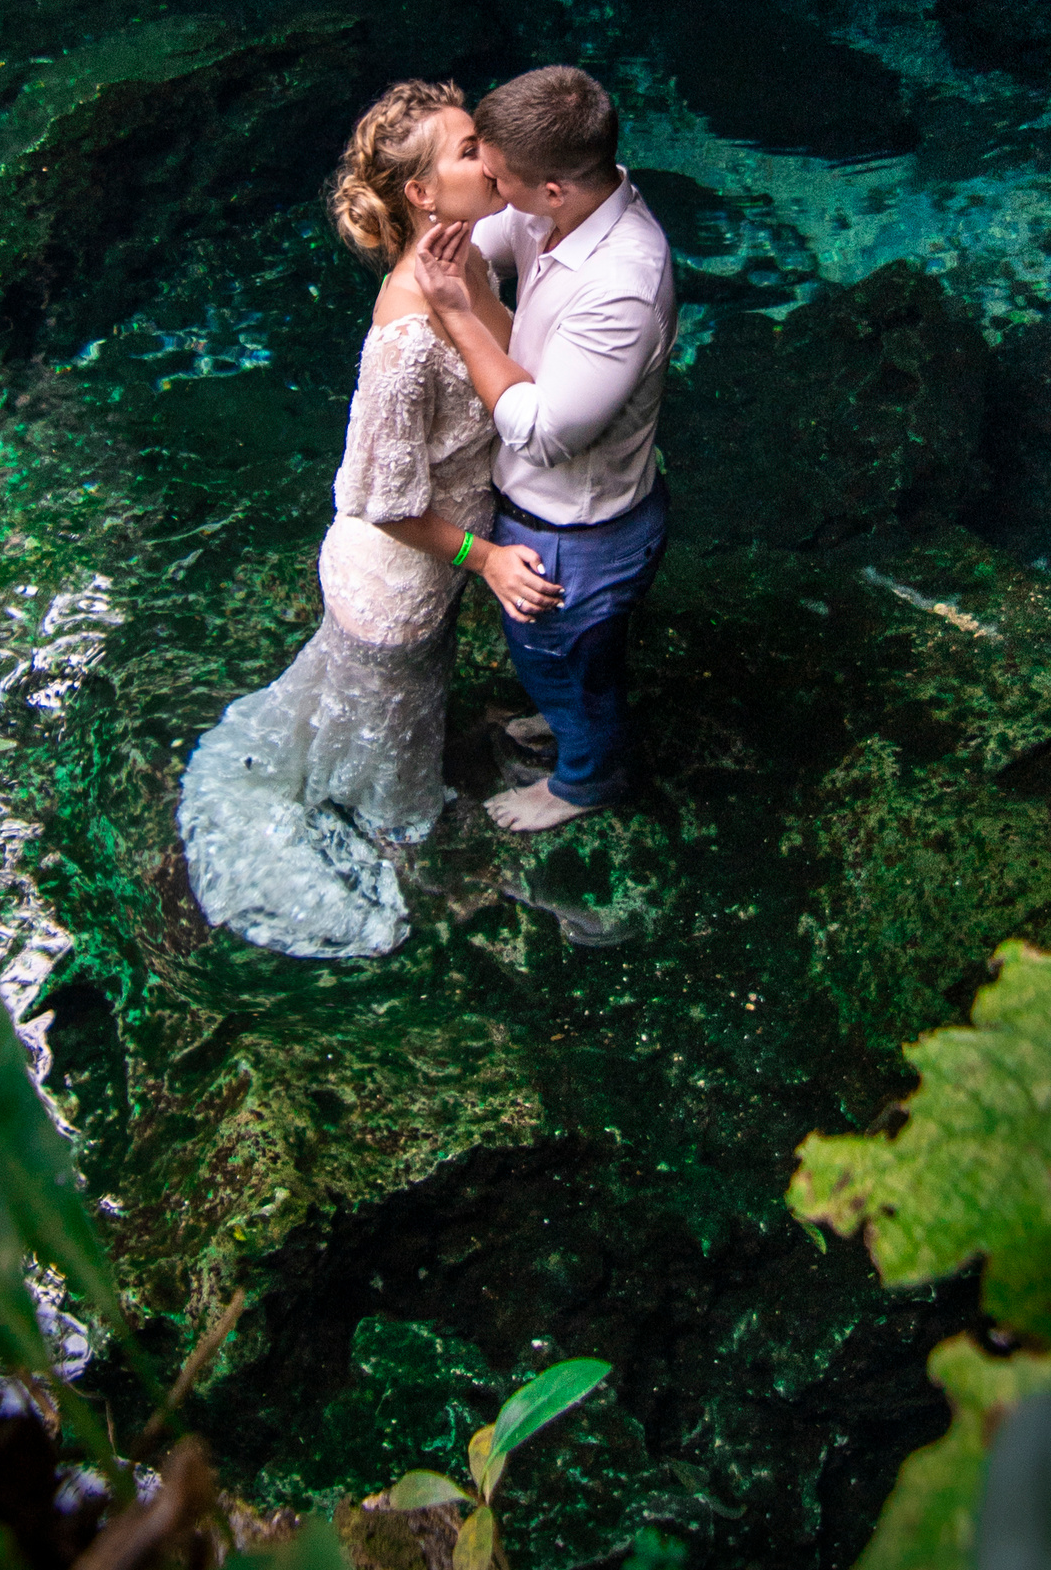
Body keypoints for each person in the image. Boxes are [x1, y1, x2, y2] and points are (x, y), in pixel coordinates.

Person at [175, 80, 561, 958]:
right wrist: (489, 558)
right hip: (396, 584)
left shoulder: (465, 254)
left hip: (438, 567)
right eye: (471, 149)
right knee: (398, 748)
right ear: (421, 193)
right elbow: (379, 504)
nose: (491, 155)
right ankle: (401, 842)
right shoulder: (401, 334)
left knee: (394, 712)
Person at [414, 63, 676, 836]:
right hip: (557, 508)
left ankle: (585, 781)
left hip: (581, 529)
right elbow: (482, 240)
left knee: (558, 656)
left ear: (553, 188)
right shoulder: (553, 207)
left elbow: (544, 433)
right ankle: (570, 717)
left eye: (496, 178)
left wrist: (460, 317)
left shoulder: (623, 286)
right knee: (572, 663)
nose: (488, 188)